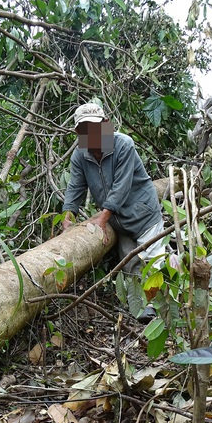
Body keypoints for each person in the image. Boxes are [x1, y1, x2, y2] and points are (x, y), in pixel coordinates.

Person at [62, 102, 167, 322]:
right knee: (130, 265)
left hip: (144, 213)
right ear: (78, 133)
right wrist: (67, 217)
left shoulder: (123, 145)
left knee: (154, 261)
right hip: (120, 220)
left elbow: (121, 186)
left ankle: (159, 307)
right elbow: (75, 188)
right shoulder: (80, 155)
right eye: (84, 130)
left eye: (95, 127)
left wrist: (102, 219)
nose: (91, 134)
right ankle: (142, 312)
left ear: (106, 125)